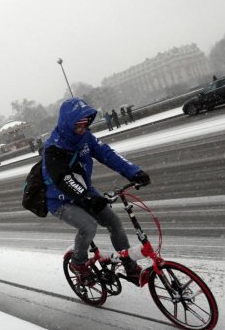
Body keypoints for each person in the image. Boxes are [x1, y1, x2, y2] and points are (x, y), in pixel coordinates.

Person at [41, 98, 151, 285]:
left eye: (86, 123)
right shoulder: (53, 148)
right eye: (79, 124)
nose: (83, 128)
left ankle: (130, 267)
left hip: (86, 192)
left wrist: (134, 172)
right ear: (68, 123)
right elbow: (64, 179)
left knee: (114, 223)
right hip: (60, 200)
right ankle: (78, 263)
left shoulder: (86, 138)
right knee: (88, 226)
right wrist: (88, 197)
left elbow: (107, 155)